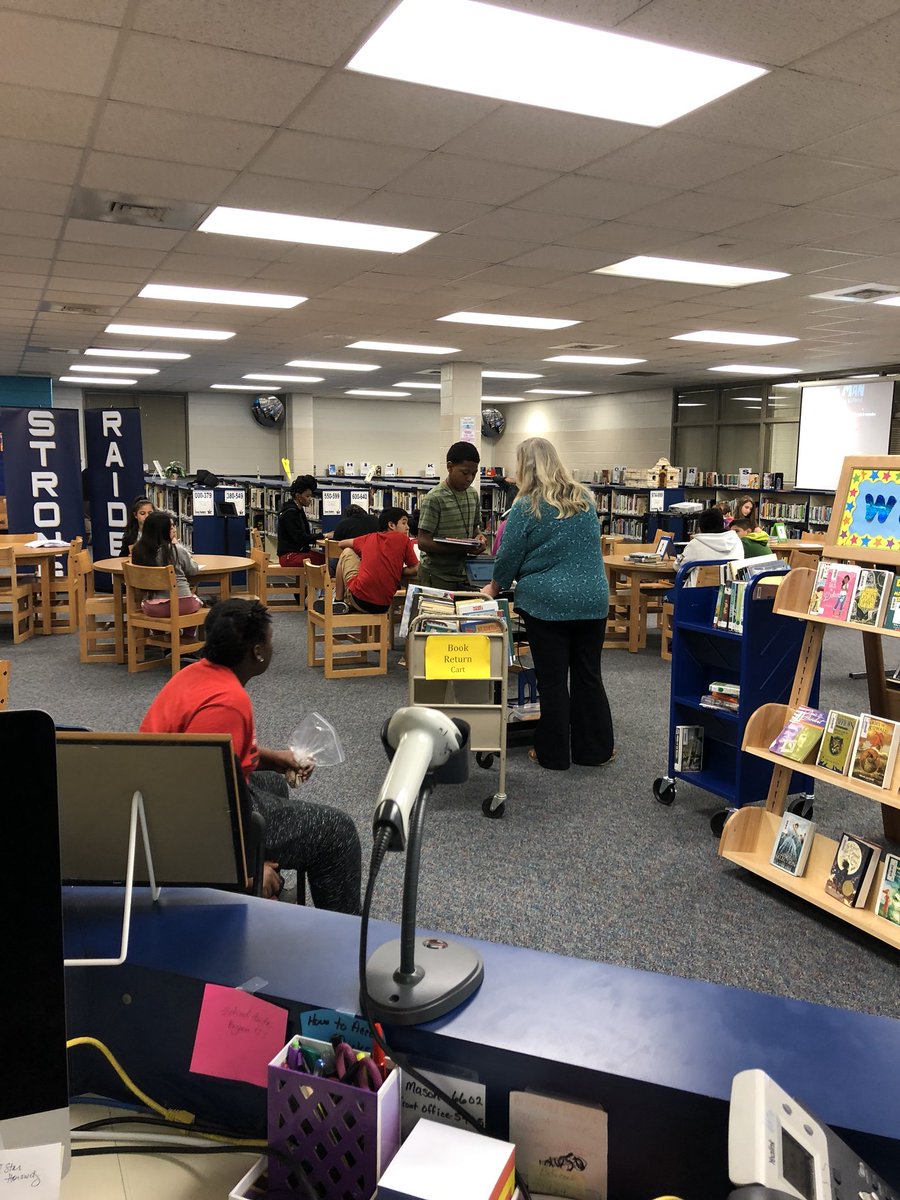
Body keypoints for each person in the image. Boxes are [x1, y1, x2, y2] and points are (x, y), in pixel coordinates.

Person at [140, 599, 362, 914]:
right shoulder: (227, 703)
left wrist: (276, 759)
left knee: (274, 783)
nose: (273, 648)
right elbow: (203, 805)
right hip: (181, 823)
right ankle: (344, 933)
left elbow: (221, 761)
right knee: (337, 832)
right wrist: (244, 874)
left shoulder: (193, 676)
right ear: (257, 652)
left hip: (162, 799)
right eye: (270, 641)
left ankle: (267, 897)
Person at [481, 436, 613, 772]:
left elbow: (509, 554)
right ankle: (594, 751)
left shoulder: (527, 506)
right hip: (592, 599)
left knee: (552, 680)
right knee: (589, 675)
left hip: (547, 603)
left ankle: (553, 754)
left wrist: (494, 586)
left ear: (525, 466)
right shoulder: (585, 499)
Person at [416, 442, 486, 591]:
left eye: (474, 473)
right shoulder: (434, 498)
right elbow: (423, 542)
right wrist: (460, 548)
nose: (470, 478)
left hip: (465, 574)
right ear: (450, 467)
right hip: (437, 576)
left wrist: (479, 538)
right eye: (465, 473)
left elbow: (475, 529)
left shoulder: (473, 495)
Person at [333, 506, 419, 613]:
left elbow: (341, 544)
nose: (408, 527)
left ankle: (338, 600)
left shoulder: (370, 537)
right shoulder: (404, 540)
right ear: (391, 525)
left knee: (347, 552)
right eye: (404, 523)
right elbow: (415, 568)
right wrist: (393, 570)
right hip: (384, 606)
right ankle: (346, 604)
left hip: (359, 600)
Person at [131, 510, 202, 627]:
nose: (174, 529)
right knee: (199, 601)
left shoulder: (137, 550)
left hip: (153, 608)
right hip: (182, 605)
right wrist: (177, 545)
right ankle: (187, 635)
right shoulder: (176, 550)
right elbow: (193, 570)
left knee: (149, 605)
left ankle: (159, 633)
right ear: (162, 531)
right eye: (171, 527)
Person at [277, 475, 325, 568]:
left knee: (324, 558)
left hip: (297, 552)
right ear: (298, 496)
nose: (310, 499)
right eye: (307, 496)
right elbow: (300, 538)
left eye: (311, 496)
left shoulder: (298, 509)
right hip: (289, 556)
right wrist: (323, 535)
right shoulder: (291, 513)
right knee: (325, 561)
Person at [679, 506, 744, 567]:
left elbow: (678, 566)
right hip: (731, 575)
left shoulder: (695, 544)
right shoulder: (736, 540)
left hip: (703, 576)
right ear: (722, 523)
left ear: (701, 527)